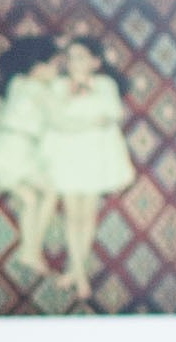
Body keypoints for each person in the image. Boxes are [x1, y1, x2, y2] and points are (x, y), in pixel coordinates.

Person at [45, 35, 135, 306]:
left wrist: (84, 117)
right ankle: (79, 274)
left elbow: (111, 114)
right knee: (73, 213)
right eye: (71, 57)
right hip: (69, 154)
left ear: (95, 62)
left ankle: (76, 270)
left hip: (96, 154)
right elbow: (58, 119)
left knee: (88, 213)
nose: (76, 62)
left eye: (82, 57)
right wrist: (86, 119)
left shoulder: (105, 85)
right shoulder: (59, 86)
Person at [0, 35, 63, 297]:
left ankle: (29, 252)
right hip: (11, 150)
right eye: (53, 66)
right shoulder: (34, 88)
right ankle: (31, 250)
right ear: (37, 67)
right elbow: (61, 115)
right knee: (48, 191)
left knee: (29, 198)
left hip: (12, 149)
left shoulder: (18, 83)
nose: (56, 71)